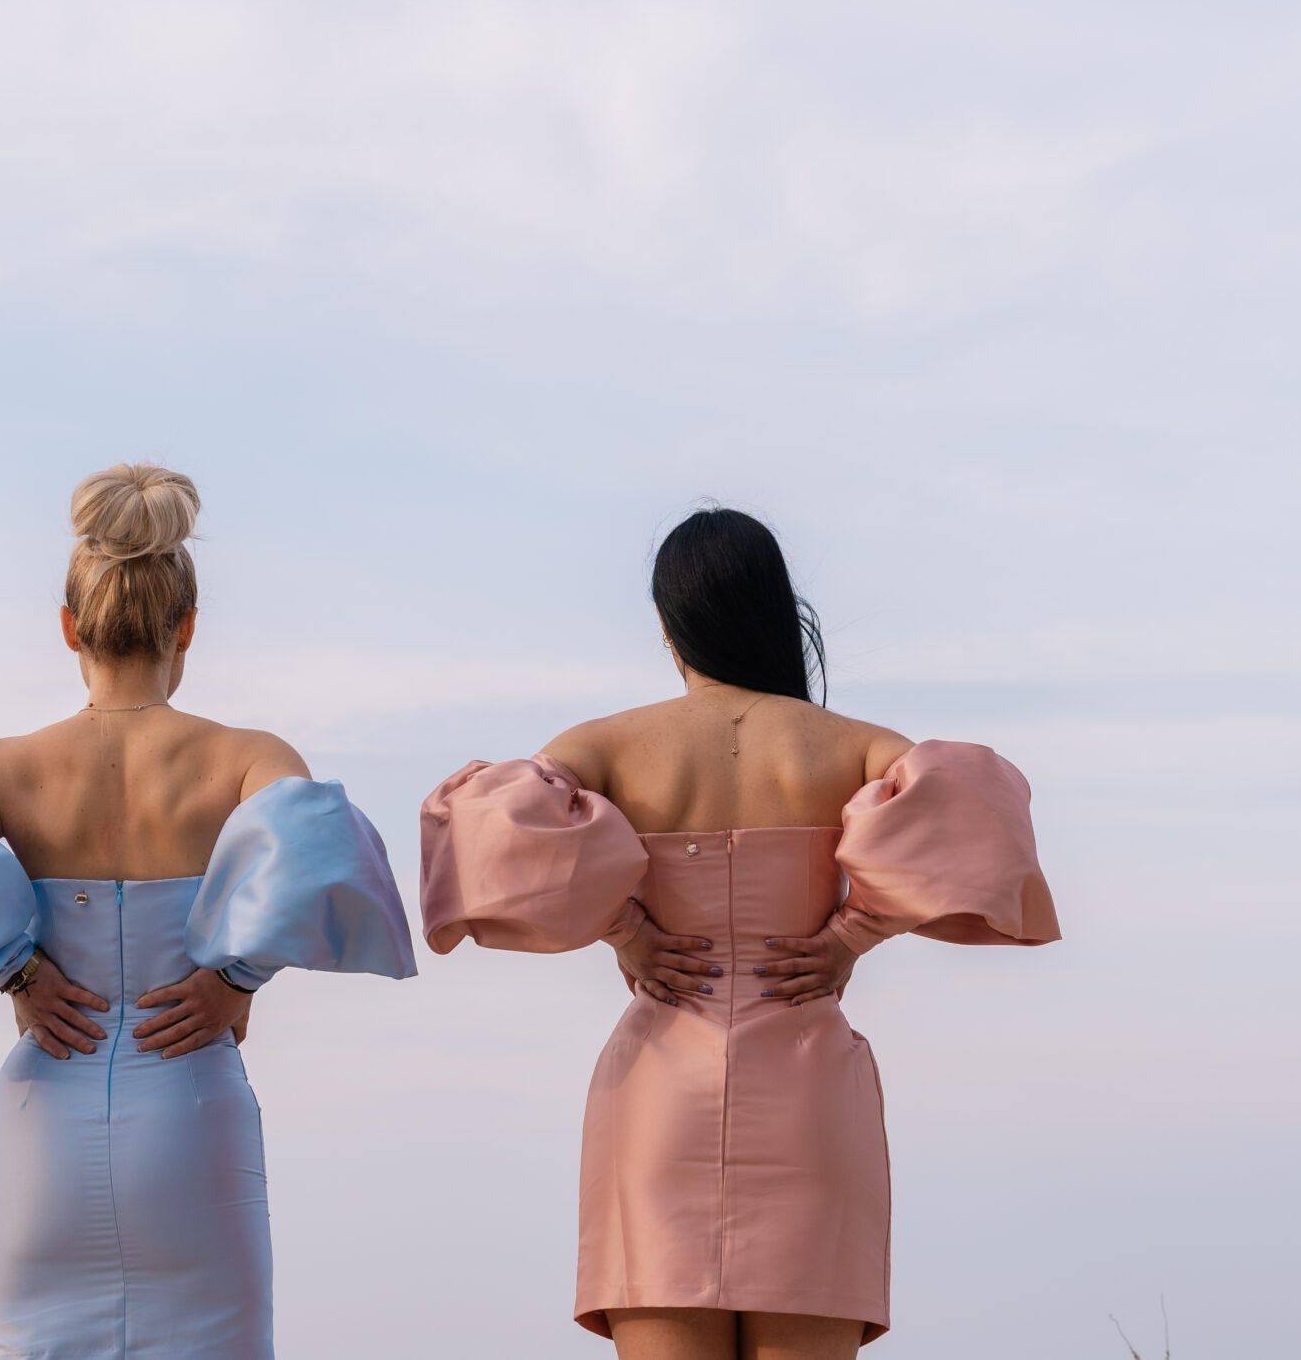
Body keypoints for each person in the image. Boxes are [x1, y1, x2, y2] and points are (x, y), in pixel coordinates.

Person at [419, 507, 1059, 1358]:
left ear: (668, 622)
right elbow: (974, 811)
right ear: (774, 610)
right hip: (808, 1088)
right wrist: (852, 933)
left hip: (660, 1088)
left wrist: (624, 927)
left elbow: (489, 826)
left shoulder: (606, 744)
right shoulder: (850, 743)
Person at [0, 463, 417, 1360]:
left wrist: (15, 968)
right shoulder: (245, 757)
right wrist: (236, 974)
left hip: (44, 1122)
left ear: (69, 626)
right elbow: (321, 851)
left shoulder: (8, 766)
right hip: (192, 1112)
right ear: (188, 625)